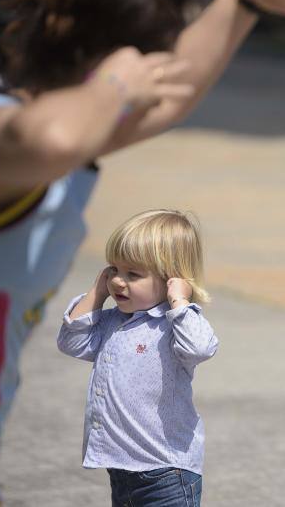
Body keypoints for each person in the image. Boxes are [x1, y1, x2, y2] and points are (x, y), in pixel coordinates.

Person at [0, 0, 285, 503]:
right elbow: (50, 136)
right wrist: (117, 86)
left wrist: (240, 0)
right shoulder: (5, 130)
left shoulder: (68, 141)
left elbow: (172, 96)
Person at [57, 209, 216, 506]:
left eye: (133, 274)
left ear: (172, 279)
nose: (117, 281)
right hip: (121, 470)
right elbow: (71, 341)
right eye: (113, 269)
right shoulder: (110, 322)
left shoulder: (173, 325)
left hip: (166, 472)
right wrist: (96, 292)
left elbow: (200, 348)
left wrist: (180, 301)